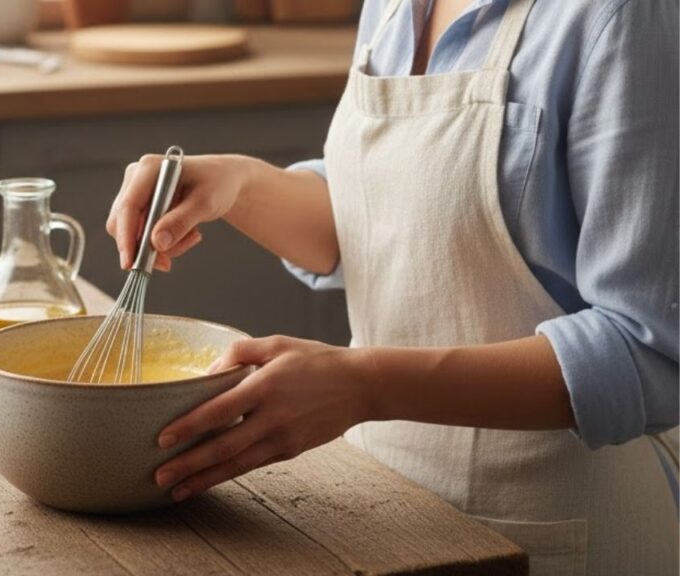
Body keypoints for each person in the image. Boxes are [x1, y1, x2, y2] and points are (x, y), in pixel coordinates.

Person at [105, 0, 679, 574]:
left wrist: (366, 386)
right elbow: (387, 225)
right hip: (385, 514)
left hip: (553, 527)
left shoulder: (626, 17)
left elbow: (651, 351)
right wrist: (241, 184)